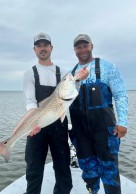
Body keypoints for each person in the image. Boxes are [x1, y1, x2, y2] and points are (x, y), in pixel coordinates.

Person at [69, 34, 128, 194]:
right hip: (80, 132)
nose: (82, 50)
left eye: (85, 45)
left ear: (91, 46)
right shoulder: (71, 74)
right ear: (74, 49)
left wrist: (122, 122)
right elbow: (63, 101)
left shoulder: (108, 67)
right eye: (78, 47)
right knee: (87, 168)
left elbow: (121, 95)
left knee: (109, 167)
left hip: (104, 130)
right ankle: (92, 191)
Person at [23, 32, 75, 194]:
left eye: (45, 45)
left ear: (51, 48)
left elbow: (73, 94)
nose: (42, 48)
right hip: (37, 124)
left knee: (62, 165)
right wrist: (32, 123)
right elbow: (31, 101)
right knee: (33, 167)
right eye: (39, 45)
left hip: (59, 125)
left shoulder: (64, 73)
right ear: (34, 49)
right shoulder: (30, 73)